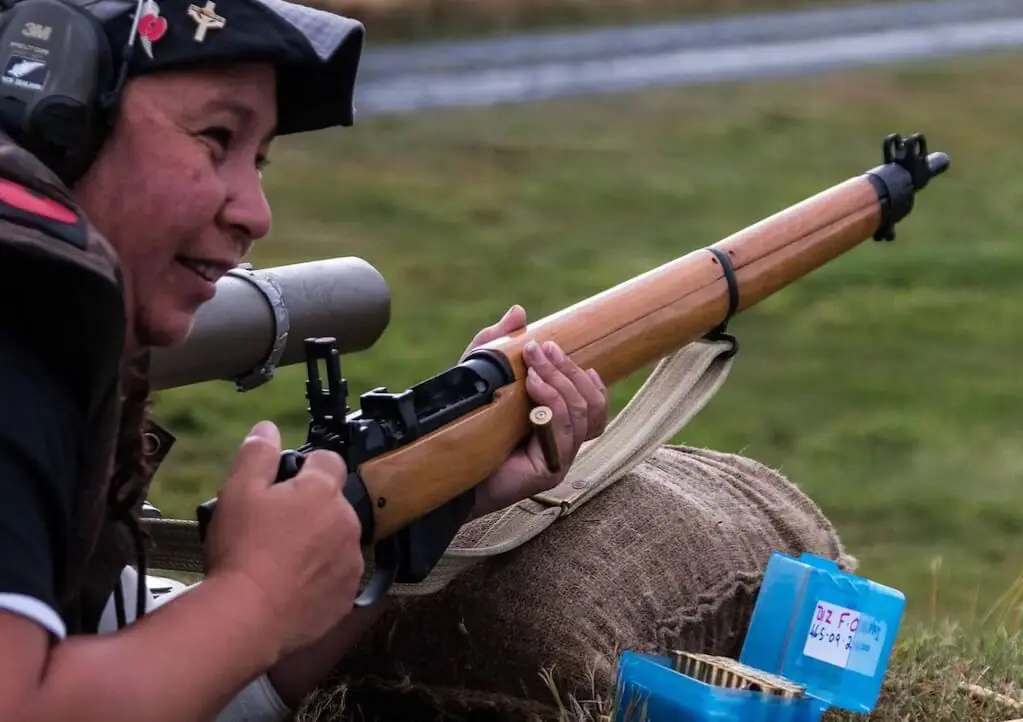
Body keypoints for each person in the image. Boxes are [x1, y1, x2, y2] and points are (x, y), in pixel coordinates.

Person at [0, 0, 610, 718]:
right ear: (52, 113)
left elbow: (165, 688)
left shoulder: (53, 353)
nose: (256, 213)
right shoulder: (19, 357)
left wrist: (439, 481)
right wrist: (255, 596)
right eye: (216, 137)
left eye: (257, 158)